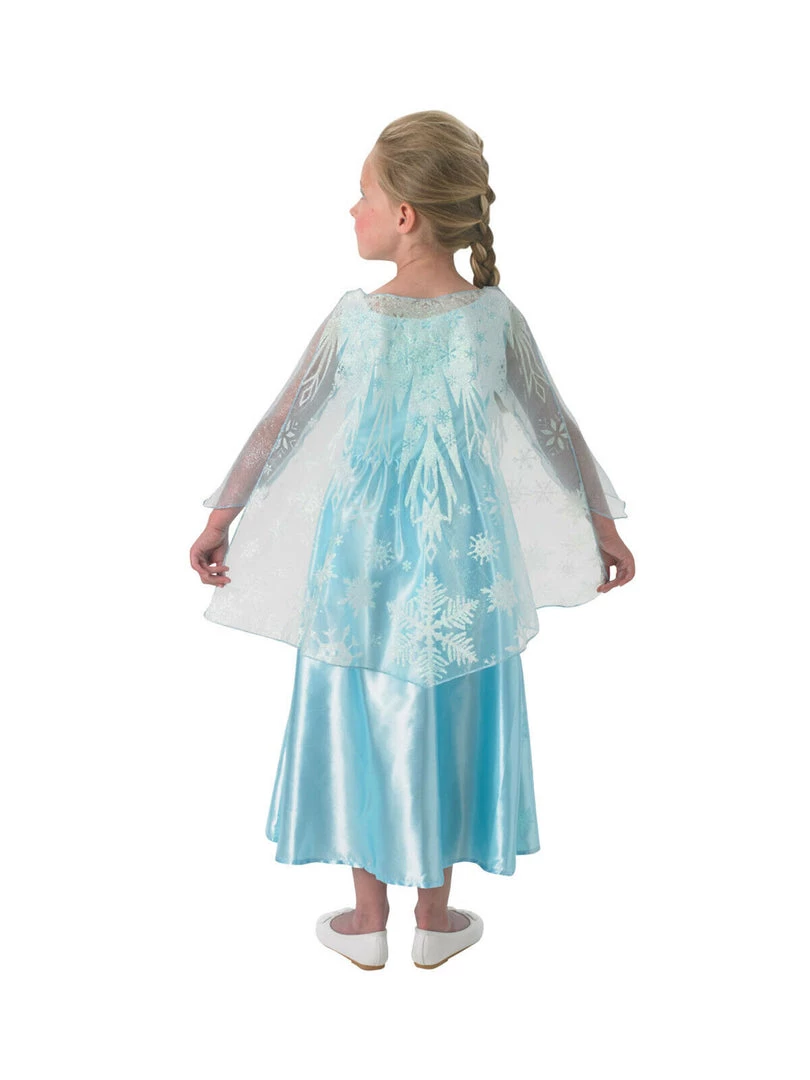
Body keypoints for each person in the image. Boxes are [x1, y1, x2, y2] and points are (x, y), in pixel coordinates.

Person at [189, 110, 635, 971]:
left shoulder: (356, 318)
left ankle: (367, 921)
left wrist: (221, 518)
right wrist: (602, 525)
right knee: (451, 701)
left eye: (362, 195)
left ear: (403, 215)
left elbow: (280, 424)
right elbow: (554, 427)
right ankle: (435, 916)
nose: (350, 209)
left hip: (358, 550)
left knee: (356, 700)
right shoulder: (491, 316)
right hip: (462, 547)